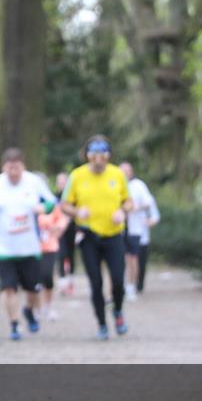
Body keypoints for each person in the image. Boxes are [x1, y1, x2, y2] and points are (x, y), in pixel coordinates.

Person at [0, 149, 57, 341]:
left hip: (30, 247)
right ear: (3, 167)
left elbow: (52, 202)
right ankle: (14, 324)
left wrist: (43, 207)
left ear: (23, 166)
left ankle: (28, 310)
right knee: (8, 288)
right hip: (5, 248)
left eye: (17, 168)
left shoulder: (34, 182)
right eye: (10, 168)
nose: (13, 172)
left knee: (33, 289)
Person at [60, 135, 132, 340]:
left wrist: (122, 212)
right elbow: (64, 205)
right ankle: (102, 324)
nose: (98, 160)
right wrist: (77, 211)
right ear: (87, 156)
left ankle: (117, 310)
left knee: (118, 279)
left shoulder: (117, 174)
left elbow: (129, 202)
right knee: (96, 282)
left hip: (113, 234)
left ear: (108, 156)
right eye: (94, 155)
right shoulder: (77, 176)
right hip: (89, 236)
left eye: (102, 155)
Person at [120, 162, 160, 298]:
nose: (124, 173)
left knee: (134, 259)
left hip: (135, 229)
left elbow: (149, 203)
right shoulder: (115, 185)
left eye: (127, 170)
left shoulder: (138, 185)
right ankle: (123, 286)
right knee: (123, 259)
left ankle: (133, 286)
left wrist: (135, 208)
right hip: (119, 229)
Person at [36, 175, 70, 321]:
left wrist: (58, 228)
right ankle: (36, 309)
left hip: (49, 245)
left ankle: (48, 308)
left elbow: (62, 218)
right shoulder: (26, 201)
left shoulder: (51, 201)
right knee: (34, 279)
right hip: (31, 247)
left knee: (47, 276)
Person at [54, 171, 78, 296]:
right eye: (60, 182)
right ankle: (62, 283)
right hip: (59, 231)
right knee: (61, 254)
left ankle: (71, 280)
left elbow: (77, 212)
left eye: (64, 182)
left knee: (70, 255)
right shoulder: (54, 197)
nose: (62, 184)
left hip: (72, 229)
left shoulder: (73, 197)